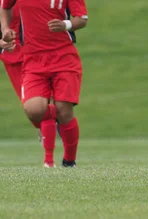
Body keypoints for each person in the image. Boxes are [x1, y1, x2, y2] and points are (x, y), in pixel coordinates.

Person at [1, 0, 87, 168]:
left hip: (63, 57)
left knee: (64, 109)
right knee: (34, 109)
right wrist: (4, 30)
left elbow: (82, 18)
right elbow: (5, 7)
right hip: (32, 59)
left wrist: (65, 24)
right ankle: (51, 139)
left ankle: (68, 162)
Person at [0, 2, 59, 168]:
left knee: (50, 104)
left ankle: (51, 160)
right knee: (33, 109)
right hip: (15, 58)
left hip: (42, 54)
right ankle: (47, 127)